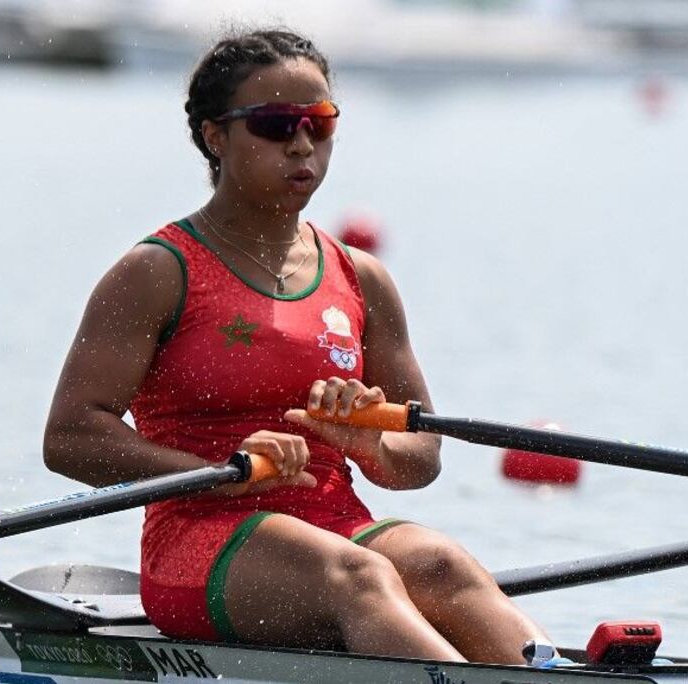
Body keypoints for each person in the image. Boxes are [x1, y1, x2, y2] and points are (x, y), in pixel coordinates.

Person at [43, 28, 558, 665]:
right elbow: (69, 436)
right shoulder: (156, 272)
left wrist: (373, 444)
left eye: (319, 122)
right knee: (362, 578)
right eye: (274, 124)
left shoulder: (361, 278)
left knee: (443, 565)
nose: (302, 144)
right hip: (200, 540)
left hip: (337, 520)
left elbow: (422, 454)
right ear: (215, 136)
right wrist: (215, 474)